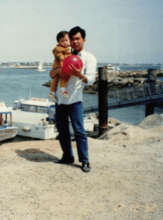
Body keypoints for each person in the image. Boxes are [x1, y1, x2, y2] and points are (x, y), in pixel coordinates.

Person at [49, 26, 97, 172]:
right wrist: (60, 70)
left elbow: (91, 79)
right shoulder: (64, 54)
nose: (75, 41)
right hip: (60, 99)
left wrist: (79, 74)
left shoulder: (89, 58)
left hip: (75, 100)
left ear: (83, 39)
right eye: (72, 39)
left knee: (79, 131)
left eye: (78, 38)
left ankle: (84, 161)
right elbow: (52, 74)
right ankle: (67, 156)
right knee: (62, 130)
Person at [48, 31, 72, 103]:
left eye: (66, 40)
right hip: (60, 65)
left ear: (70, 40)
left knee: (55, 79)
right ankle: (62, 89)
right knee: (63, 76)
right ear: (58, 42)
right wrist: (61, 57)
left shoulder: (69, 48)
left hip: (58, 66)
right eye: (62, 41)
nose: (64, 42)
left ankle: (52, 93)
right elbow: (58, 54)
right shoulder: (59, 48)